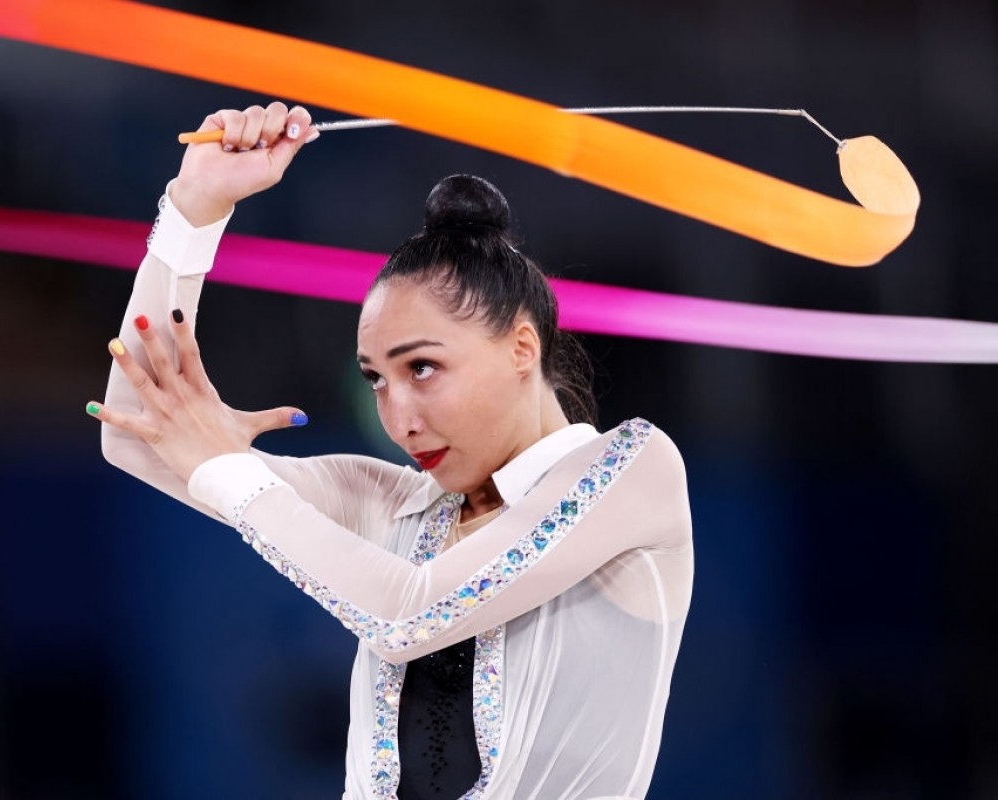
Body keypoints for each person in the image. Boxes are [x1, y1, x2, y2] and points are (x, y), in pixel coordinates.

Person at [86, 101, 694, 800]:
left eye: (422, 368)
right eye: (376, 379)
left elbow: (411, 616)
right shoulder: (387, 502)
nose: (397, 418)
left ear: (522, 348)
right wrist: (195, 208)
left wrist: (227, 471)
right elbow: (138, 432)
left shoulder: (634, 470)